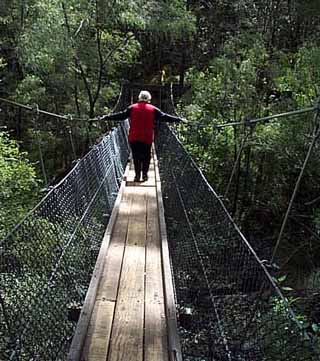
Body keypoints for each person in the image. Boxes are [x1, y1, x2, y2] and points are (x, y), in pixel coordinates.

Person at [102, 90, 184, 182]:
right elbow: (165, 117)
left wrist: (107, 117)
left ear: (139, 98)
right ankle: (144, 175)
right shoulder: (153, 109)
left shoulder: (132, 108)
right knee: (146, 156)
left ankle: (137, 176)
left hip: (134, 137)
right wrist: (178, 119)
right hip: (147, 137)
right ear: (149, 99)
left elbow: (121, 116)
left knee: (136, 156)